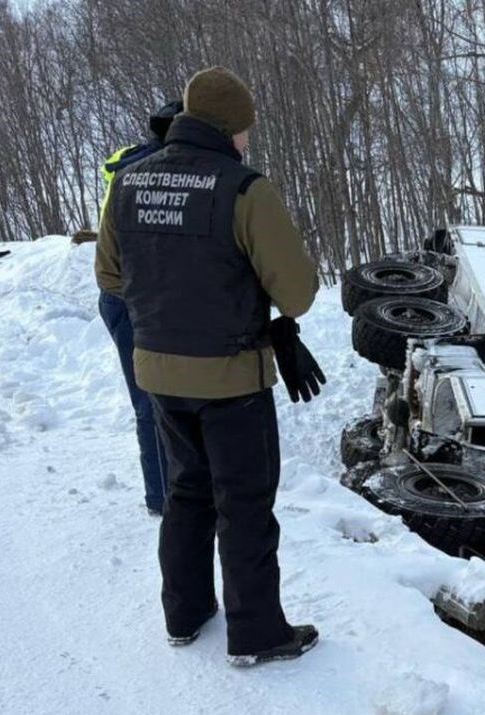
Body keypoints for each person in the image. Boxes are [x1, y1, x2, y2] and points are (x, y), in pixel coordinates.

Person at [94, 66, 326, 666]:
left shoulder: (129, 181)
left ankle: (184, 614)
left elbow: (110, 278)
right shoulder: (245, 188)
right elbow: (297, 292)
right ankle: (257, 634)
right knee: (244, 504)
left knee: (186, 495)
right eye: (246, 130)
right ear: (230, 128)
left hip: (158, 374)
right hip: (231, 380)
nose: (248, 140)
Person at [97, 99, 182, 517]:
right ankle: (164, 499)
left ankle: (167, 493)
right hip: (135, 298)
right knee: (154, 402)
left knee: (152, 400)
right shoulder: (155, 172)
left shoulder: (126, 162)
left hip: (122, 297)